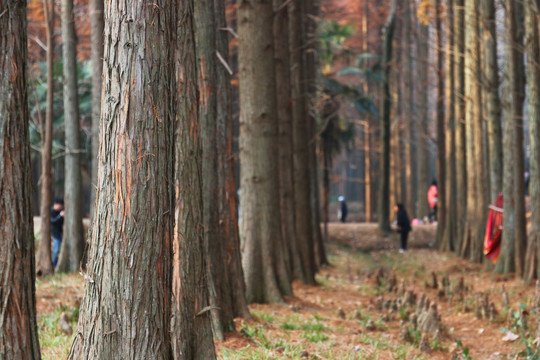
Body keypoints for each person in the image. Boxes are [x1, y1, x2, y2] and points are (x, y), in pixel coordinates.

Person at [51, 197, 64, 268]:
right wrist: (60, 216)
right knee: (56, 251)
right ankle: (54, 266)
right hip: (54, 235)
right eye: (59, 205)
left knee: (59, 251)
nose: (60, 207)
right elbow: (53, 221)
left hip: (60, 234)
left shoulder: (61, 211)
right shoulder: (51, 211)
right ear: (55, 204)